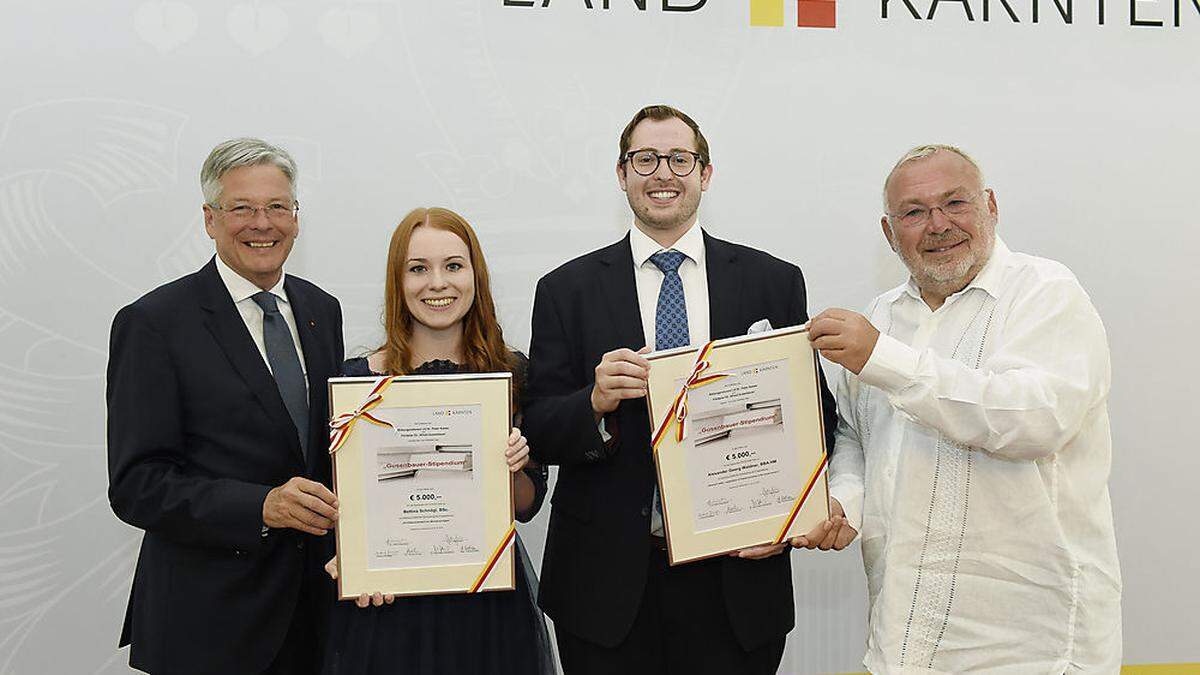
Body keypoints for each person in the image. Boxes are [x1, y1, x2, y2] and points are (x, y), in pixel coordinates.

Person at [523, 104, 838, 674]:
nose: (662, 173)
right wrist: (593, 402)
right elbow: (538, 431)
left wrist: (786, 517)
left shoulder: (771, 280)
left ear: (705, 174)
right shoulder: (565, 289)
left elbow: (814, 416)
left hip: (737, 580)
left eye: (679, 159)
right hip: (605, 590)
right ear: (622, 174)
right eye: (645, 159)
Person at [797, 144, 1122, 672]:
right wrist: (843, 502)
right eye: (914, 212)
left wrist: (882, 358)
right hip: (901, 638)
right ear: (889, 232)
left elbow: (1034, 420)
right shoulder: (881, 315)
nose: (938, 224)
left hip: (1027, 645)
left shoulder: (1046, 292)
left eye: (955, 203)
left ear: (990, 206)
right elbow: (857, 435)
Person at [106, 138, 345, 674]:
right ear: (210, 219)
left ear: (296, 218)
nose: (263, 223)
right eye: (242, 208)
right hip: (208, 627)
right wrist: (260, 506)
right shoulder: (154, 324)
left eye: (278, 207)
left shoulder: (320, 309)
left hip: (314, 620)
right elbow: (136, 485)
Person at [321, 207, 556, 675]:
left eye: (453, 266)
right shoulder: (356, 382)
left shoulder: (513, 372)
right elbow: (344, 502)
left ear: (475, 274)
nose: (437, 283)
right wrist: (350, 556)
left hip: (486, 599)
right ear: (397, 280)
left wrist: (509, 466)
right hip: (387, 604)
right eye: (417, 269)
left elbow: (525, 506)